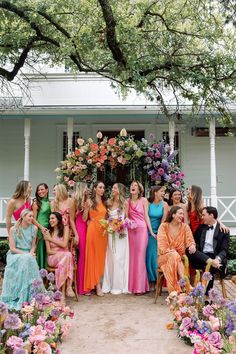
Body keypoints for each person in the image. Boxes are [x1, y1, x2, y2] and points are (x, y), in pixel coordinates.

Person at [1, 209, 42, 310]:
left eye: (33, 216)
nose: (32, 218)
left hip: (28, 255)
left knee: (28, 259)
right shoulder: (13, 229)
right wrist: (27, 255)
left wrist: (31, 253)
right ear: (23, 216)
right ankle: (18, 296)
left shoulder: (34, 228)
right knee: (27, 259)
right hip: (15, 255)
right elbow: (12, 249)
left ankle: (31, 296)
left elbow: (33, 246)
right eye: (30, 216)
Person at [186, 206, 230, 293]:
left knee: (208, 267)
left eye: (204, 215)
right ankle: (211, 262)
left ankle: (206, 295)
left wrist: (217, 259)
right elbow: (193, 240)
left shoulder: (224, 230)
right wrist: (193, 245)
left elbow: (224, 250)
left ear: (211, 215)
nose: (202, 217)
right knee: (189, 250)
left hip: (215, 257)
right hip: (201, 257)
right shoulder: (201, 227)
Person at [158, 206, 196, 293]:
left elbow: (190, 240)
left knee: (175, 256)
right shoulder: (163, 226)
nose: (182, 216)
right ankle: (185, 283)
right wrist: (172, 252)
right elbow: (162, 246)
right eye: (180, 213)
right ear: (173, 215)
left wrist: (192, 246)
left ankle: (180, 287)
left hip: (180, 258)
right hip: (164, 257)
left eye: (183, 214)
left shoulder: (185, 227)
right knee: (174, 255)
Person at [102, 183, 129, 294]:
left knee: (119, 258)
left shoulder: (125, 203)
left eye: (114, 188)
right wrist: (109, 225)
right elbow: (106, 218)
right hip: (110, 233)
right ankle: (109, 284)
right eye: (112, 187)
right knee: (111, 257)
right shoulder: (108, 203)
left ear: (120, 190)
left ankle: (119, 285)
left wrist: (120, 226)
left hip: (121, 233)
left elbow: (126, 218)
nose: (112, 189)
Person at [128, 181, 153, 294]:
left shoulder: (144, 201)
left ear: (139, 189)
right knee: (133, 258)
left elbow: (146, 216)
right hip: (131, 231)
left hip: (142, 230)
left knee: (140, 257)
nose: (133, 187)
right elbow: (125, 217)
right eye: (132, 185)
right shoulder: (127, 202)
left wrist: (151, 232)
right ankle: (133, 287)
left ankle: (141, 287)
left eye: (135, 186)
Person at [84, 181, 108, 296]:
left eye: (103, 187)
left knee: (101, 258)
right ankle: (97, 286)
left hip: (103, 232)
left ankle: (100, 282)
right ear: (94, 189)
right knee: (93, 257)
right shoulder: (89, 202)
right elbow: (84, 219)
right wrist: (85, 208)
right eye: (100, 187)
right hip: (93, 230)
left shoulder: (105, 202)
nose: (102, 189)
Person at [44, 212, 74, 297]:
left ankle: (62, 293)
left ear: (58, 219)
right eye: (50, 219)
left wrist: (51, 239)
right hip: (52, 258)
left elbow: (64, 244)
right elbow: (49, 251)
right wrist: (62, 253)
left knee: (66, 258)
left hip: (64, 259)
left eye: (53, 218)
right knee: (68, 255)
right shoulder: (47, 232)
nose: (50, 220)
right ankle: (68, 286)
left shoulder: (65, 229)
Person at [146, 186, 168, 290]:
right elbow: (146, 217)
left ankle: (156, 281)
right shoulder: (148, 203)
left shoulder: (164, 204)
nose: (163, 193)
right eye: (161, 191)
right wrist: (150, 232)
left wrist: (158, 233)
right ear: (155, 192)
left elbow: (163, 221)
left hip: (158, 233)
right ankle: (150, 280)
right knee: (148, 257)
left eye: (163, 191)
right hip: (147, 232)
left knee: (154, 257)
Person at [70, 182, 89, 295]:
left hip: (86, 227)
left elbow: (86, 218)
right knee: (82, 256)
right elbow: (71, 219)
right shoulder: (73, 201)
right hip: (79, 228)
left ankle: (86, 284)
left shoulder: (86, 201)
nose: (87, 189)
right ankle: (81, 287)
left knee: (86, 256)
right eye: (86, 188)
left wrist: (86, 209)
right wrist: (76, 234)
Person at [32, 183, 51, 269]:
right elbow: (33, 219)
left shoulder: (50, 202)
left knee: (47, 251)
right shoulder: (36, 203)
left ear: (47, 190)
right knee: (40, 251)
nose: (40, 191)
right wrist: (41, 228)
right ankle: (38, 275)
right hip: (40, 230)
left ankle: (46, 277)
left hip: (48, 230)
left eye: (42, 189)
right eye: (38, 190)